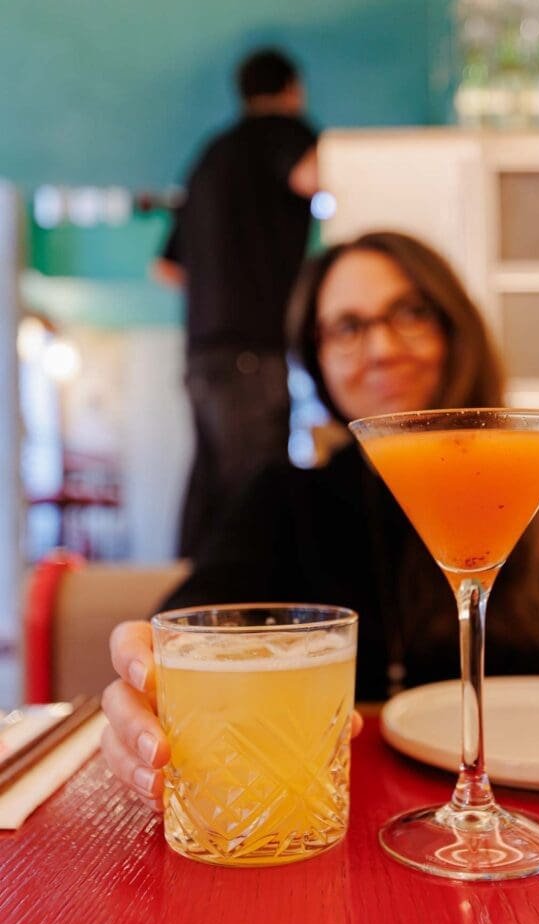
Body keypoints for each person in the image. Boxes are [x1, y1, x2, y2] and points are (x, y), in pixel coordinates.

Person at [103, 231, 539, 810]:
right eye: (347, 327)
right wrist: (146, 676)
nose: (379, 348)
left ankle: (473, 797)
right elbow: (191, 624)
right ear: (318, 356)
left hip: (534, 804)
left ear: (455, 328)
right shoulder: (281, 498)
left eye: (410, 312)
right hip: (334, 808)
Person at [156, 48, 319, 557]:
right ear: (292, 89)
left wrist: (220, 284)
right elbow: (311, 178)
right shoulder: (284, 132)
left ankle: (190, 609)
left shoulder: (210, 157)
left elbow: (165, 268)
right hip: (252, 349)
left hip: (202, 353)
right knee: (255, 491)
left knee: (211, 487)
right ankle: (244, 616)